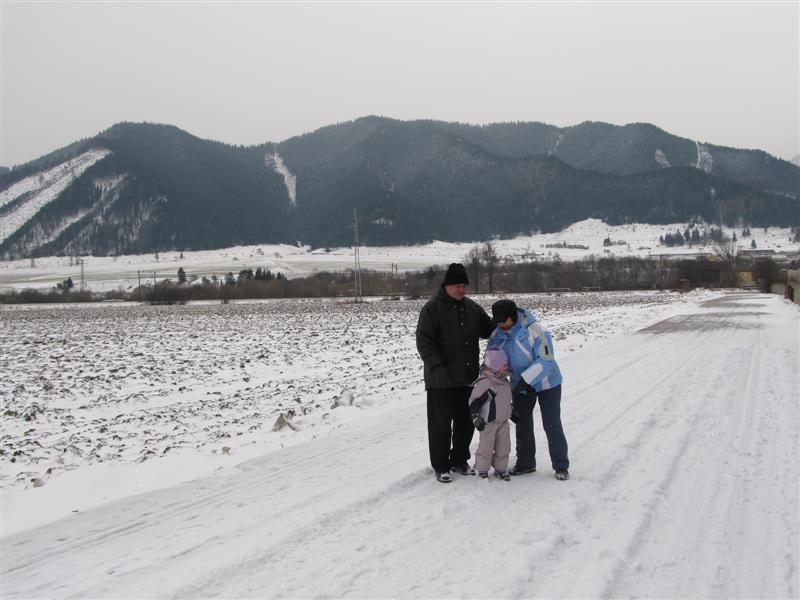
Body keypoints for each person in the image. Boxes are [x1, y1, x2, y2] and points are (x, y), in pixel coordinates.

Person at [416, 263, 494, 483]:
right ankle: (441, 466)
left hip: (467, 378)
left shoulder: (472, 308)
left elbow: (488, 330)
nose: (461, 290)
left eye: (463, 286)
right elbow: (424, 343)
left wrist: (504, 318)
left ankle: (459, 460)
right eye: (457, 286)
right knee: (440, 425)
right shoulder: (432, 309)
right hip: (440, 380)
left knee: (465, 424)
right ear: (446, 286)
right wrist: (437, 368)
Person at [489, 299, 570, 481]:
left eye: (504, 321)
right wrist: (496, 372)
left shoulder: (536, 330)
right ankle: (526, 463)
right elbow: (494, 359)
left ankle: (561, 466)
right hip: (520, 386)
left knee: (551, 423)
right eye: (498, 321)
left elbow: (546, 360)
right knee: (522, 423)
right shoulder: (497, 335)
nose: (501, 325)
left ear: (513, 317)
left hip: (547, 384)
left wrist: (526, 381)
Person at [469, 348, 513, 481]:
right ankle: (482, 470)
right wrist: (475, 417)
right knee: (486, 446)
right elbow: (474, 402)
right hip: (488, 422)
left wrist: (512, 411)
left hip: (503, 422)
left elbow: (505, 401)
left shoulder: (505, 382)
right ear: (494, 367)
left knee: (504, 446)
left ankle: (500, 469)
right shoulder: (485, 383)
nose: (506, 368)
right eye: (504, 366)